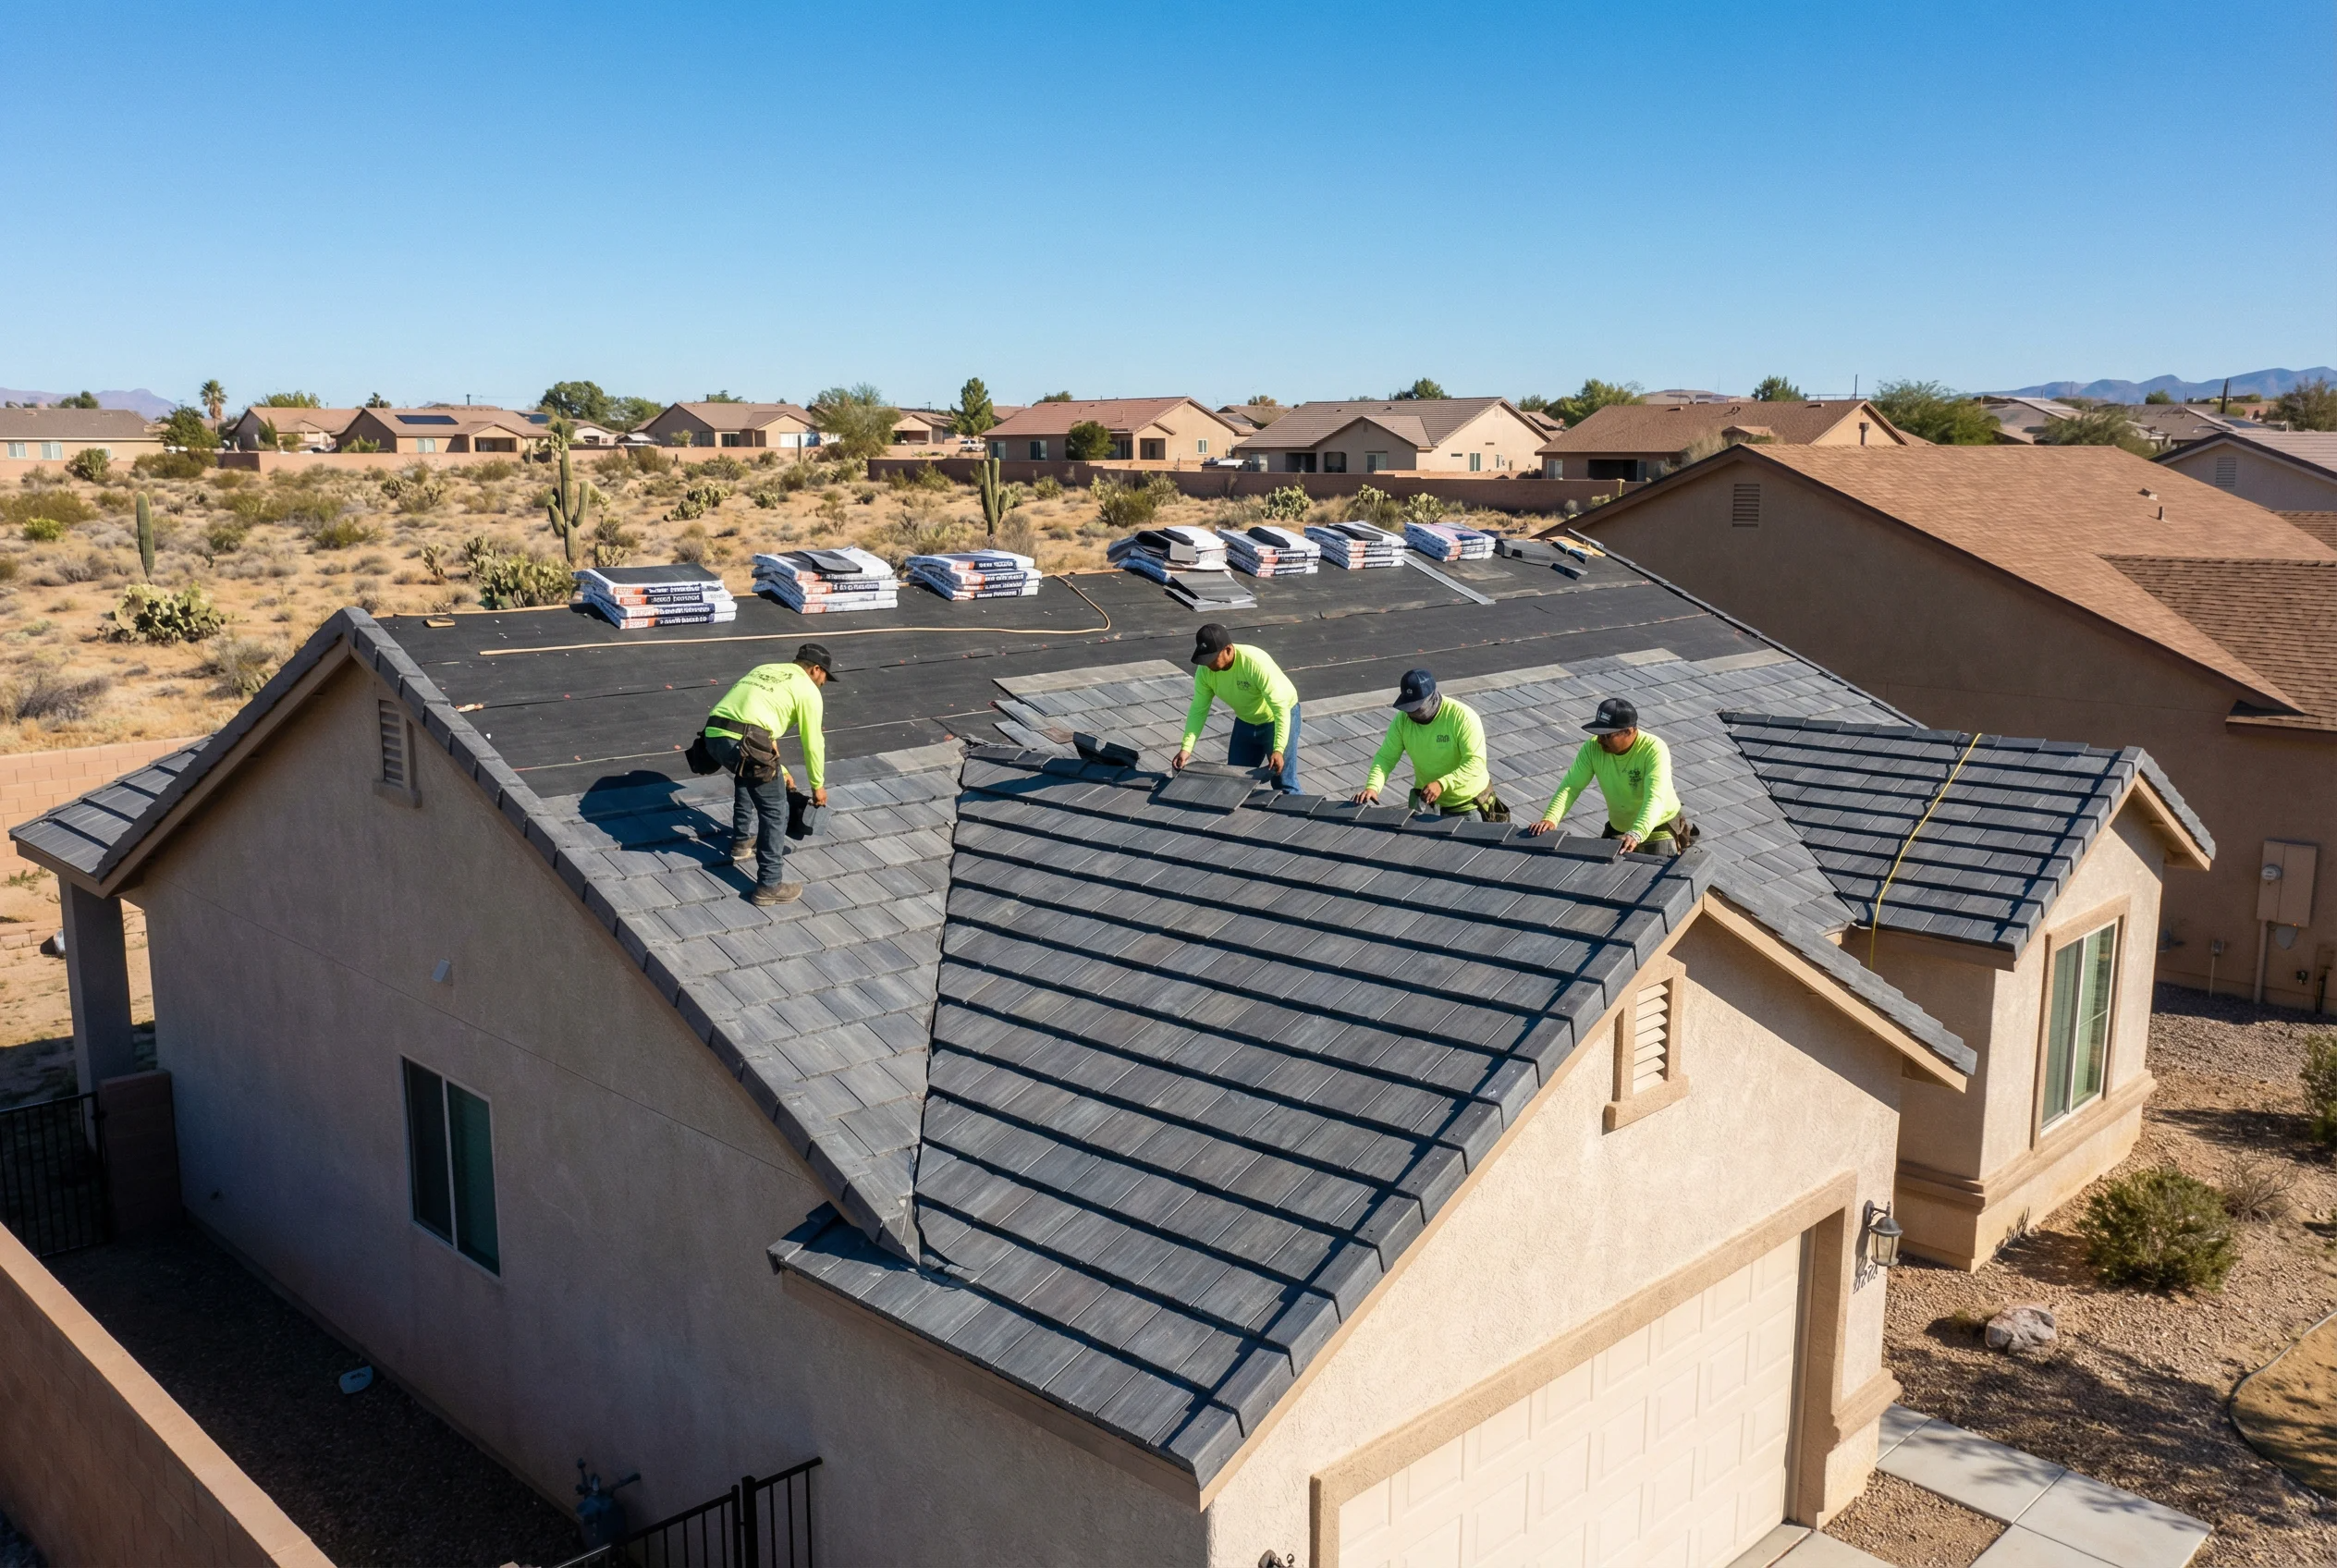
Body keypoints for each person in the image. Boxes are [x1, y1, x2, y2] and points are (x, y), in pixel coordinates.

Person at [701, 643, 835, 905]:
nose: (824, 684)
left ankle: (741, 842)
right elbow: (813, 741)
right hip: (745, 742)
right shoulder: (808, 690)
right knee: (776, 809)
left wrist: (781, 770)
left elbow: (761, 729)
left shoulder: (767, 669)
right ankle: (769, 885)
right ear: (815, 670)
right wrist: (818, 785)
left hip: (713, 737)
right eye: (824, 677)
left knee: (748, 772)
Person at [1525, 696, 1687, 852]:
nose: (1601, 740)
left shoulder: (1654, 749)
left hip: (1658, 826)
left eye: (1607, 735)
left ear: (1630, 731)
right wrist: (1550, 819)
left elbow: (1655, 797)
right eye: (1598, 734)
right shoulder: (1592, 748)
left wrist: (1637, 832)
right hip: (1620, 827)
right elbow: (1571, 786)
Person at [1170, 623, 1302, 792]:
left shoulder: (1255, 663)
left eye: (1212, 658)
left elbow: (1280, 708)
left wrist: (1278, 749)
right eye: (1205, 659)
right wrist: (1186, 748)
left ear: (1228, 650)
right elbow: (1198, 709)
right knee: (1234, 782)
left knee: (1283, 782)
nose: (1208, 665)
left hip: (1277, 719)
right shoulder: (1205, 671)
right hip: (1246, 721)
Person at [1353, 668, 1492, 816]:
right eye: (1408, 708)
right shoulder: (1402, 720)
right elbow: (1386, 757)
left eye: (1417, 708)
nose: (1411, 713)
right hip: (1427, 800)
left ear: (1432, 697)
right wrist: (1372, 787)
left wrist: (1442, 784)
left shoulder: (1462, 717)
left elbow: (1475, 762)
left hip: (1467, 804)